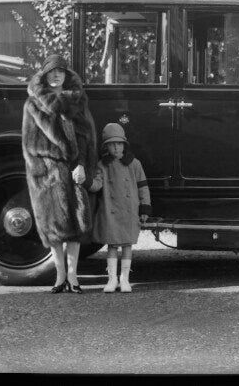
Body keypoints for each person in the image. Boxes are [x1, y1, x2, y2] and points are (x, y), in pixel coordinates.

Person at [22, 54, 97, 294]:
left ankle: (73, 278)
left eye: (61, 72)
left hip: (75, 171)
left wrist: (83, 166)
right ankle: (59, 277)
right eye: (52, 72)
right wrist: (44, 170)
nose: (56, 76)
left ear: (66, 75)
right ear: (44, 75)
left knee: (76, 228)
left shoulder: (78, 100)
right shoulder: (33, 104)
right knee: (54, 231)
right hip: (48, 174)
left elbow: (86, 137)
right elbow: (29, 146)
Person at [88, 122, 152, 293]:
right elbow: (98, 185)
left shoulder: (134, 164)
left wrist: (145, 208)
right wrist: (86, 182)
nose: (116, 148)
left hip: (130, 209)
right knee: (112, 244)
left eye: (119, 143)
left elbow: (143, 187)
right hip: (111, 210)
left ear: (124, 144)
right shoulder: (102, 165)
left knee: (127, 245)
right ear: (106, 147)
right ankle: (112, 279)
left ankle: (125, 278)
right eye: (111, 144)